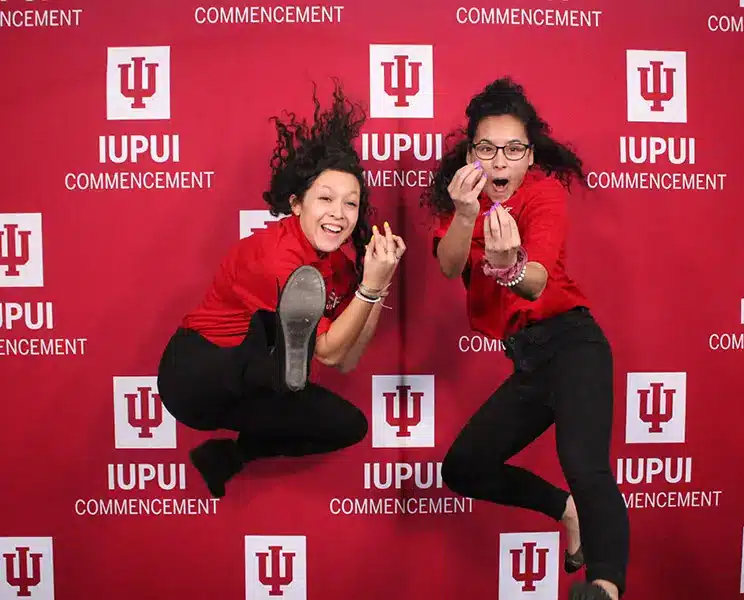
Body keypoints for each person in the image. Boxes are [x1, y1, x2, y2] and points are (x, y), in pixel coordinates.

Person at [421, 78, 629, 600]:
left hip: (574, 345)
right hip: (530, 363)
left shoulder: (543, 194)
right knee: (464, 467)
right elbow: (448, 267)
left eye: (513, 150)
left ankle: (603, 586)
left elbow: (536, 279)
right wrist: (465, 215)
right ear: (471, 153)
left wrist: (509, 266)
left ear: (529, 155)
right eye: (487, 149)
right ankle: (567, 511)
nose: (499, 163)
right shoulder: (461, 202)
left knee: (586, 464)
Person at [156, 81, 405, 499]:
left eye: (351, 203)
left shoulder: (339, 263)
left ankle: (233, 453)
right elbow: (329, 350)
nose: (339, 214)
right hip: (198, 375)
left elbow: (347, 359)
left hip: (244, 397)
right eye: (325, 198)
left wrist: (376, 287)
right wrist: (370, 286)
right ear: (295, 204)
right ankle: (282, 368)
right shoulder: (274, 257)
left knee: (348, 426)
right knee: (268, 333)